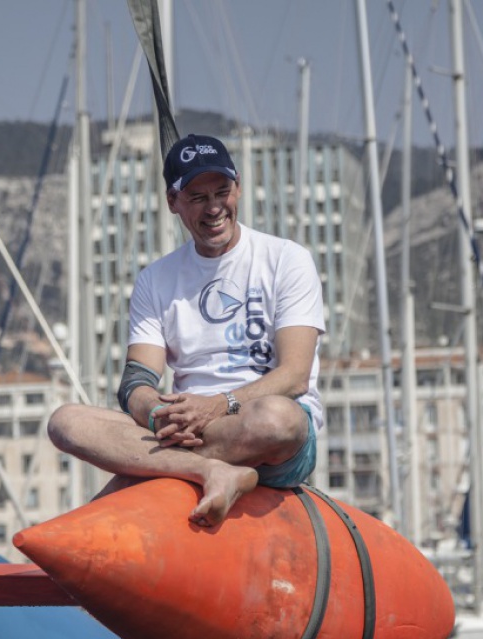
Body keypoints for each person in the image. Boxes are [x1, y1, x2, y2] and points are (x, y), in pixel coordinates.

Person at [48, 133, 325, 527]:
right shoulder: (155, 279)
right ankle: (209, 471)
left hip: (262, 432)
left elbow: (294, 377)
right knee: (65, 422)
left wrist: (215, 406)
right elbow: (135, 383)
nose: (214, 208)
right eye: (198, 198)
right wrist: (159, 414)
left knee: (278, 419)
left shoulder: (287, 259)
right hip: (182, 430)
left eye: (222, 192)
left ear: (238, 188)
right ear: (173, 203)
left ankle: (163, 470)